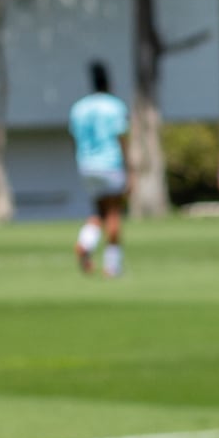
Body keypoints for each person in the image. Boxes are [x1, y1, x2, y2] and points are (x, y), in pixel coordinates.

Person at [69, 63, 129, 278]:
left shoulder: (79, 107)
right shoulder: (115, 106)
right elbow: (121, 138)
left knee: (98, 211)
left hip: (86, 164)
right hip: (110, 164)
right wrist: (129, 168)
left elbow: (74, 138)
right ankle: (112, 266)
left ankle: (85, 243)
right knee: (113, 212)